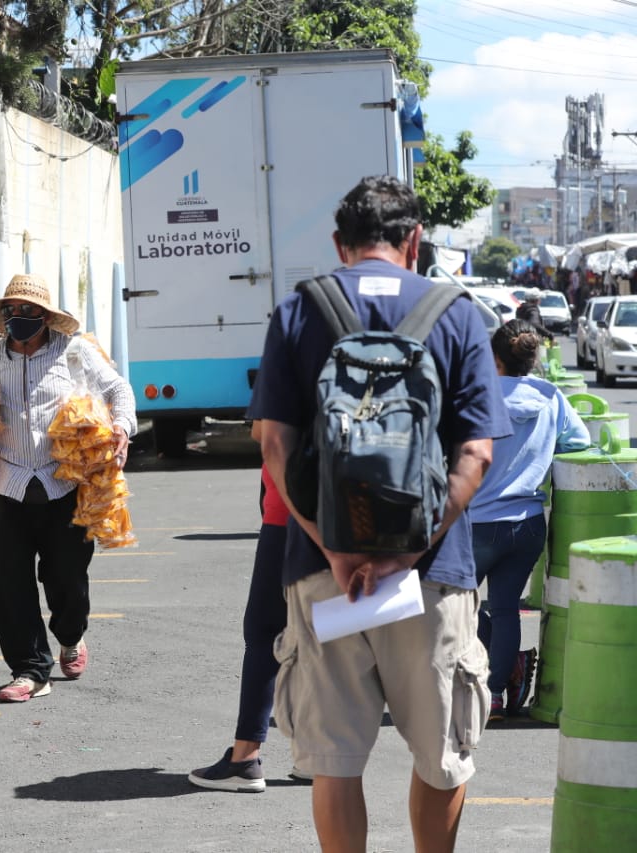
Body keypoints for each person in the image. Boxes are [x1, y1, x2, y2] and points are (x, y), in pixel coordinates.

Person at [250, 175, 510, 851]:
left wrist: (332, 545)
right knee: (441, 755)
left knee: (335, 761)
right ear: (415, 239)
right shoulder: (456, 312)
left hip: (323, 571)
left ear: (341, 244)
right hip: (430, 573)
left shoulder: (300, 311)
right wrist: (408, 551)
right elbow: (476, 455)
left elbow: (275, 445)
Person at [0, 274, 136, 703]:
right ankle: (29, 670)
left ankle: (71, 636)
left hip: (64, 484)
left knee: (67, 581)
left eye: (29, 312)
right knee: (10, 581)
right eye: (12, 312)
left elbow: (118, 388)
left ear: (46, 318)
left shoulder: (73, 352)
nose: (19, 319)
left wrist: (121, 426)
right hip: (7, 484)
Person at [470, 320, 589, 721]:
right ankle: (496, 694)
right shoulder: (550, 396)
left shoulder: (476, 396)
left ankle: (470, 681)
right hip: (528, 523)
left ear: (495, 357)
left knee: (457, 607)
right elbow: (580, 441)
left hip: (476, 523)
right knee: (505, 609)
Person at [188, 437, 299, 793]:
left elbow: (268, 434)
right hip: (350, 512)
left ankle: (244, 757)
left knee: (265, 633)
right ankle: (320, 754)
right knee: (322, 632)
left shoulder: (289, 376)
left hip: (291, 509)